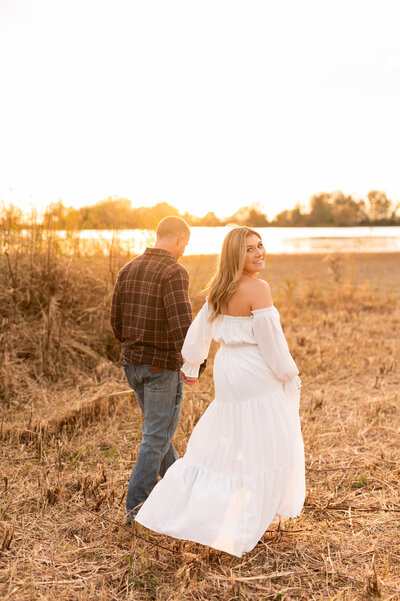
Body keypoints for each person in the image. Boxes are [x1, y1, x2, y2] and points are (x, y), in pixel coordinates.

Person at [135, 226, 305, 557]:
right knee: (268, 436)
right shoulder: (259, 288)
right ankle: (249, 514)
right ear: (235, 255)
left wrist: (192, 363)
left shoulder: (219, 287)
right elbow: (272, 344)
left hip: (228, 368)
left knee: (233, 432)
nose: (259, 252)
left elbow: (199, 331)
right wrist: (288, 374)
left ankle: (212, 509)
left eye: (260, 245)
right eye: (249, 249)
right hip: (254, 369)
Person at [110, 215, 193, 523]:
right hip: (160, 366)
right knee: (156, 437)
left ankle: (182, 493)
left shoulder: (128, 268)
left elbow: (116, 322)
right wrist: (194, 361)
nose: (184, 250)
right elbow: (182, 324)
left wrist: (134, 348)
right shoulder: (174, 271)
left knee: (159, 433)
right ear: (180, 240)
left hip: (132, 364)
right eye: (185, 244)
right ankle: (136, 510)